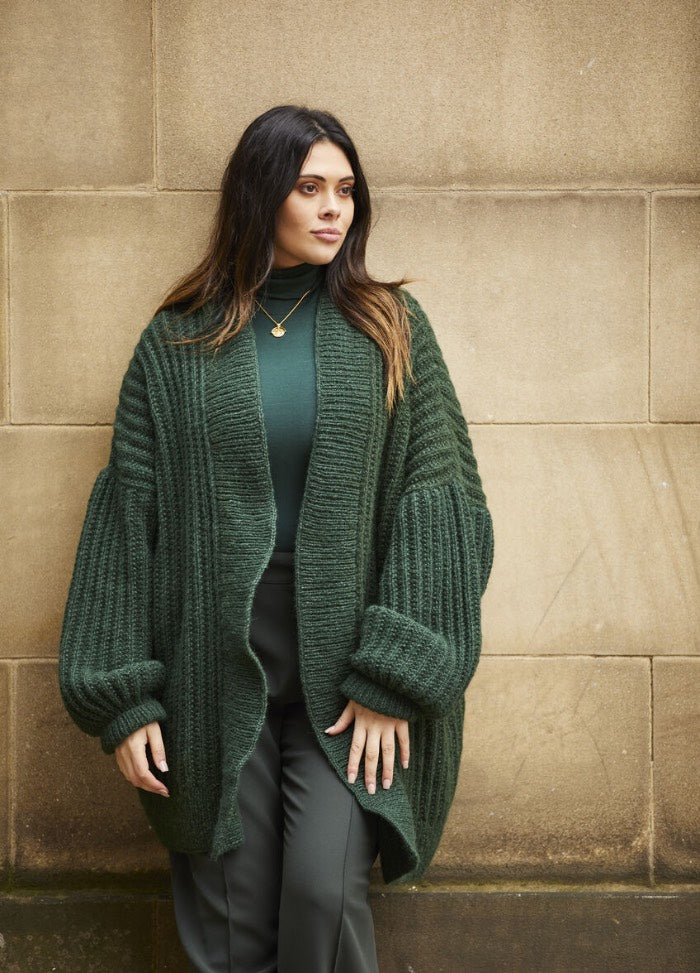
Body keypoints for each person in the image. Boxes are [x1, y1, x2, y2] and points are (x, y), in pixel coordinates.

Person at [58, 105, 495, 973]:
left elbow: (442, 507)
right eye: (310, 188)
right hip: (214, 669)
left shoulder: (391, 331)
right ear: (263, 197)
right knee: (234, 918)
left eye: (345, 190)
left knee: (323, 897)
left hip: (348, 672)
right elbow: (126, 517)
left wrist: (395, 672)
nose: (335, 209)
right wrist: (123, 698)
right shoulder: (178, 339)